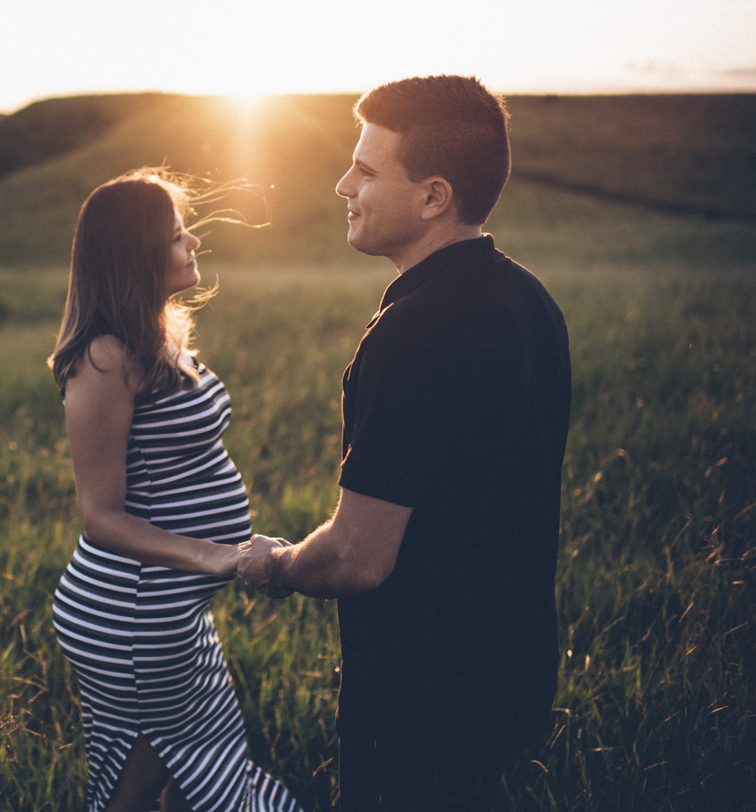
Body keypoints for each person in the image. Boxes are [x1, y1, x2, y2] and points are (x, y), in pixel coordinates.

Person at [238, 75, 572, 811]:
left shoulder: (413, 335)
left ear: (433, 197)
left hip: (422, 700)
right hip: (511, 673)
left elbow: (359, 557)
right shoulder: (530, 301)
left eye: (366, 169)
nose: (341, 185)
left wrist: (277, 565)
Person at [49, 170, 302, 812]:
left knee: (184, 769)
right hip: (129, 611)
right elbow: (100, 517)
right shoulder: (104, 359)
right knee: (143, 780)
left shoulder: (158, 337)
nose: (193, 245)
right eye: (176, 236)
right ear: (134, 254)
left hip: (165, 609)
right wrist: (218, 555)